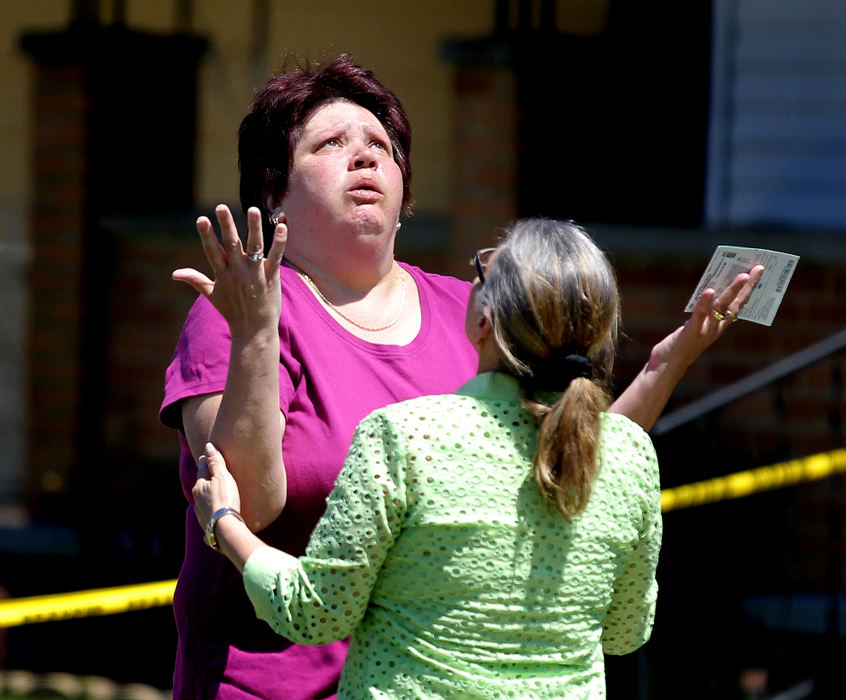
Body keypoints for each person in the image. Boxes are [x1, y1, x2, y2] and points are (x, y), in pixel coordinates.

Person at [163, 54, 762, 699]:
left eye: (381, 147)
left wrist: (665, 364)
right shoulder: (238, 311)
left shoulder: (473, 308)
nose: (364, 159)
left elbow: (563, 461)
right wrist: (255, 333)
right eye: (331, 144)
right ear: (274, 192)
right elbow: (245, 509)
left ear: (406, 192)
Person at [191, 217, 660, 698]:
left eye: (480, 275)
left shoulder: (403, 436)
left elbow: (314, 612)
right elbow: (626, 632)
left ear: (484, 321)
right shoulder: (631, 451)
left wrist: (225, 521)